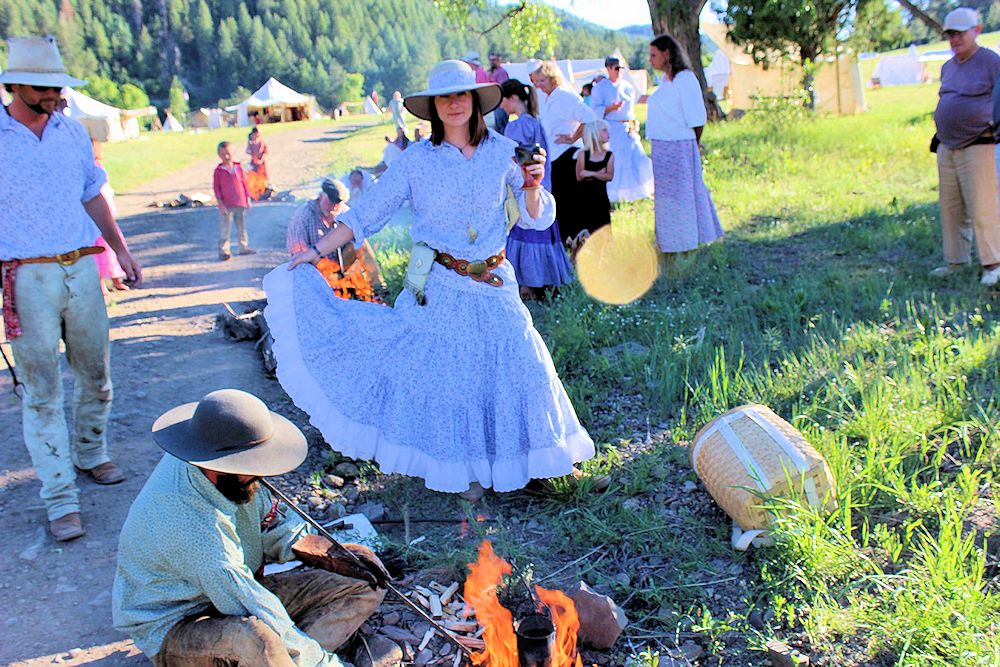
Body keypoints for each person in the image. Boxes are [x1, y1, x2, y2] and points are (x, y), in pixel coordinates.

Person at [262, 60, 595, 499]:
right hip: (440, 286)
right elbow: (368, 213)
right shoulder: (416, 161)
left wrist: (532, 185)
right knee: (452, 380)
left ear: (475, 101)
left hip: (496, 283)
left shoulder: (503, 151)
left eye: (462, 95)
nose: (454, 104)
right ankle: (466, 470)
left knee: (525, 369)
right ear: (433, 107)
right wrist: (317, 251)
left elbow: (535, 221)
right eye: (445, 97)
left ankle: (543, 462)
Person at [113, 389, 387, 666]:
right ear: (219, 464)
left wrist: (323, 549)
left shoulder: (218, 463)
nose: (257, 472)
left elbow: (272, 519)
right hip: (178, 622)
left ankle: (287, 657)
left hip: (229, 592)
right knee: (260, 638)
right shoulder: (194, 525)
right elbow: (247, 601)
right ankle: (295, 658)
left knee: (365, 582)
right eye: (249, 464)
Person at [0, 35, 142, 541]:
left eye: (58, 87)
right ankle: (60, 497)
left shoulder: (72, 133)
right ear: (15, 85)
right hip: (26, 274)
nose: (56, 97)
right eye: (44, 89)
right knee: (41, 392)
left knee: (96, 374)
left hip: (82, 266)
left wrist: (121, 251)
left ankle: (91, 452)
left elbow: (92, 195)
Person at [932, 7, 1000, 286]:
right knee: (951, 207)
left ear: (976, 30)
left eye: (959, 33)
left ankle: (994, 264)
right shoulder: (947, 67)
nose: (954, 39)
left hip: (979, 143)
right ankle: (956, 261)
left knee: (983, 206)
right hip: (947, 146)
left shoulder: (991, 62)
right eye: (950, 34)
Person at [643, 33, 723, 254]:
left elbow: (697, 118)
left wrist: (692, 145)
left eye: (653, 55)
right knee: (667, 198)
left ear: (667, 54)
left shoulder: (685, 79)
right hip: (662, 146)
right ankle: (669, 242)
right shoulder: (666, 81)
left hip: (678, 146)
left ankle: (685, 241)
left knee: (683, 196)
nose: (650, 60)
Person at [499, 78, 574, 300]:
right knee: (540, 228)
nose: (501, 106)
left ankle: (528, 283)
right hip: (541, 186)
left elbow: (516, 158)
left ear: (513, 99)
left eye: (503, 100)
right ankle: (544, 279)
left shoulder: (517, 125)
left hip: (524, 186)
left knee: (525, 229)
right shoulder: (535, 123)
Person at [286, 179, 387, 302]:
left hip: (341, 267)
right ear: (321, 195)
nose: (333, 207)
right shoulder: (302, 217)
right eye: (330, 202)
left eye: (337, 203)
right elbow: (298, 254)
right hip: (315, 270)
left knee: (361, 243)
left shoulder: (344, 211)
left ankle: (379, 287)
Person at [532, 60, 597, 246]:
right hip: (552, 156)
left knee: (569, 200)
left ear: (553, 78)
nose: (539, 85)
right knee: (559, 200)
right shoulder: (545, 97)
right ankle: (566, 238)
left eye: (542, 80)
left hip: (567, 155)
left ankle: (577, 238)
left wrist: (572, 136)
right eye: (537, 81)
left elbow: (589, 117)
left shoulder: (566, 96)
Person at [588, 57, 654, 203]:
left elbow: (632, 108)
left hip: (628, 128)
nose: (620, 71)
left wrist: (634, 121)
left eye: (621, 68)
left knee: (638, 158)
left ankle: (640, 191)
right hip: (611, 128)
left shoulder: (627, 86)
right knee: (617, 162)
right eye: (617, 68)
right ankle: (616, 195)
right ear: (608, 69)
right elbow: (594, 111)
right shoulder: (600, 88)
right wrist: (611, 108)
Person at [213, 141, 255, 261]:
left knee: (241, 227)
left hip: (240, 202)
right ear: (219, 155)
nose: (226, 156)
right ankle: (224, 251)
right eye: (223, 154)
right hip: (227, 205)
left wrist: (247, 198)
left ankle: (243, 247)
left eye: (228, 154)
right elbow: (217, 189)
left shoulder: (238, 167)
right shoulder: (219, 171)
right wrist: (220, 204)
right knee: (225, 228)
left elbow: (244, 184)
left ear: (233, 153)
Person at [575, 120, 614, 234]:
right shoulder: (582, 154)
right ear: (595, 134)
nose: (608, 133)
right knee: (586, 229)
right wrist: (600, 173)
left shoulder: (609, 155)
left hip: (601, 198)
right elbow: (580, 176)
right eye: (604, 130)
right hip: (585, 199)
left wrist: (591, 173)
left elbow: (610, 176)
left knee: (603, 228)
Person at [487, 53, 511, 134]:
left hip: (501, 102)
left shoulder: (502, 72)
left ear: (499, 61)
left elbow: (503, 87)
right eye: (491, 60)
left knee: (502, 124)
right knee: (498, 124)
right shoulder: (491, 72)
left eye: (494, 60)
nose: (492, 62)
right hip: (495, 102)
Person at [246, 126, 270, 200]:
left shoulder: (262, 142)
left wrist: (260, 160)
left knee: (262, 176)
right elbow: (249, 151)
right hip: (254, 162)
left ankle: (262, 191)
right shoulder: (251, 143)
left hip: (261, 163)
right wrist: (255, 159)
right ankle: (255, 192)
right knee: (253, 176)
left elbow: (265, 152)